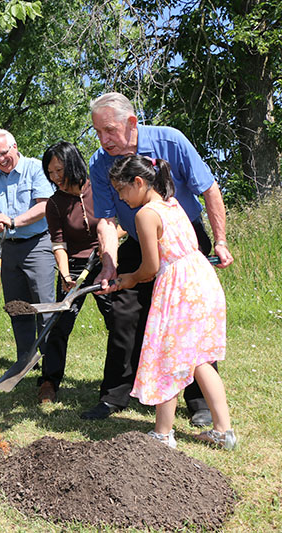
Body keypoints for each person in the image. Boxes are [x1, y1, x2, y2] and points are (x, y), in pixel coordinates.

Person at [85, 92, 234, 423]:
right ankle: (116, 395)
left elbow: (209, 189)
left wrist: (221, 241)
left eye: (109, 130)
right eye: (98, 132)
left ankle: (200, 404)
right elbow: (108, 219)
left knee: (189, 322)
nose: (104, 140)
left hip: (185, 241)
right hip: (139, 239)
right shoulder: (99, 162)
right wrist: (110, 264)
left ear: (132, 123)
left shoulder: (171, 141)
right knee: (122, 311)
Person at [108, 155, 236, 450]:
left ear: (138, 183)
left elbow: (151, 268)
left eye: (122, 191)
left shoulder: (146, 214)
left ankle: (163, 433)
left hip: (178, 288)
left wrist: (129, 278)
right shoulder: (172, 203)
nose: (121, 198)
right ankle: (223, 430)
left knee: (169, 356)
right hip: (202, 280)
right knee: (200, 357)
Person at [38, 141, 114, 403]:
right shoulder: (55, 204)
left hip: (106, 260)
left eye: (59, 170)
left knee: (118, 320)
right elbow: (58, 243)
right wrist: (66, 274)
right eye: (50, 172)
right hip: (75, 267)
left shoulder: (100, 188)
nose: (55, 177)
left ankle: (122, 382)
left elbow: (120, 224)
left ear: (73, 164)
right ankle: (49, 380)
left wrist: (106, 248)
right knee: (60, 322)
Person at [0, 129, 56, 367]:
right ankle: (26, 359)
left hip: (38, 245)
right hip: (7, 248)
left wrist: (12, 221)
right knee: (17, 306)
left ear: (14, 146)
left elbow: (45, 206)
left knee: (44, 304)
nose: (0, 160)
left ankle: (49, 359)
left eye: (3, 153)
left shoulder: (36, 168)